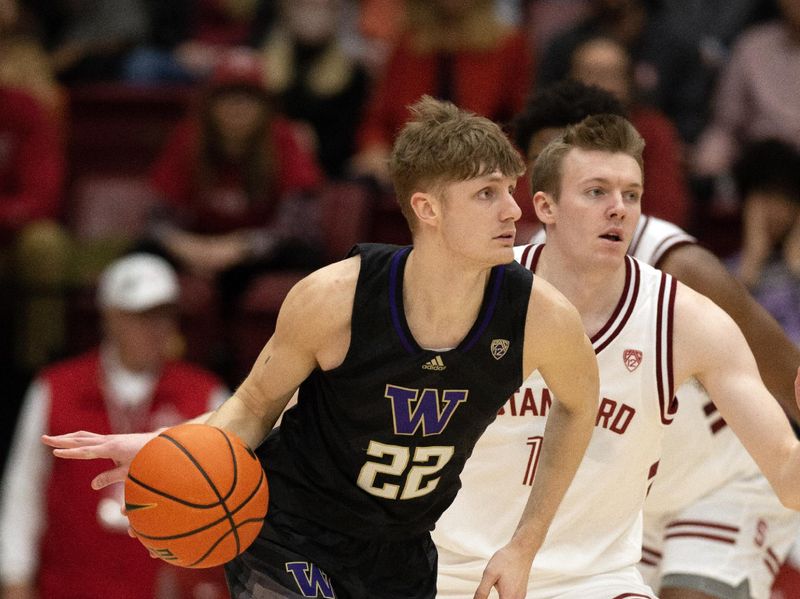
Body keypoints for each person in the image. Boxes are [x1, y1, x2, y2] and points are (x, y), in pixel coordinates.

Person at [41, 96, 602, 599]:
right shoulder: (335, 299)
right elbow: (256, 405)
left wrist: (525, 544)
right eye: (487, 193)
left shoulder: (539, 316)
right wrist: (173, 447)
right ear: (428, 209)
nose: (512, 210)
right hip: (291, 528)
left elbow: (579, 405)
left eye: (510, 189)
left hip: (401, 550)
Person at [433, 112, 800, 599]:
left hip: (603, 572)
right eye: (596, 192)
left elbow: (787, 474)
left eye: (631, 195)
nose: (619, 209)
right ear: (545, 206)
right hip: (457, 570)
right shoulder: (468, 292)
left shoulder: (685, 316)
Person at [0, 253, 230, 599]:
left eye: (164, 314)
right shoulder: (55, 387)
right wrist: (15, 578)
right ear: (109, 316)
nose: (156, 328)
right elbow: (23, 490)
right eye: (140, 315)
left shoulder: (207, 394)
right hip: (69, 587)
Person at [693, 0, 800, 290]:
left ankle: (780, 260)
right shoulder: (752, 46)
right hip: (759, 160)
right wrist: (707, 162)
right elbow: (726, 122)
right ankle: (757, 261)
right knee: (769, 159)